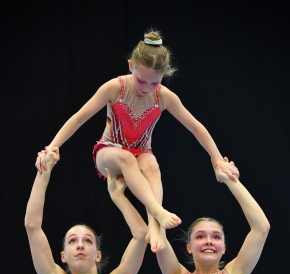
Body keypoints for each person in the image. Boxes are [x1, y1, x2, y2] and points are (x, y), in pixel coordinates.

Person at [37, 29, 239, 253]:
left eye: (154, 83)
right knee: (126, 158)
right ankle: (157, 210)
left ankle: (155, 226)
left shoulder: (165, 97)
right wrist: (53, 146)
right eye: (142, 81)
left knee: (151, 164)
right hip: (109, 152)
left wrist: (218, 160)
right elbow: (79, 118)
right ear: (131, 66)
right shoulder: (115, 88)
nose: (146, 89)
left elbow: (196, 127)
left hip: (142, 152)